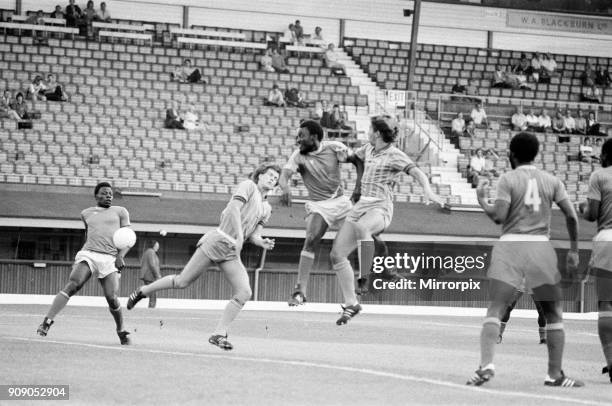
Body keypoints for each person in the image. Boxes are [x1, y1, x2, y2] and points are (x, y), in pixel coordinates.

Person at [466, 132, 582, 387]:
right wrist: (573, 250)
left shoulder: (508, 179)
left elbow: (498, 216)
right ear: (536, 154)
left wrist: (482, 201)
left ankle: (486, 366)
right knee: (553, 312)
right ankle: (554, 374)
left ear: (511, 154)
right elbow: (572, 216)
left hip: (510, 246)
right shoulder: (552, 181)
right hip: (540, 247)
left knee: (496, 307)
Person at [127, 164, 280, 351]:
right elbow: (233, 209)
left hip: (231, 251)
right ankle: (143, 291)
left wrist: (261, 242)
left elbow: (255, 234)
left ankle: (218, 334)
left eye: (276, 178)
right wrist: (240, 236)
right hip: (218, 240)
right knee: (182, 282)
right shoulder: (248, 185)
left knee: (244, 292)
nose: (272, 179)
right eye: (270, 175)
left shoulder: (267, 208)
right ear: (260, 176)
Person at [328, 116, 444, 325]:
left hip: (381, 207)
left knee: (364, 228)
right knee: (337, 255)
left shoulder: (395, 155)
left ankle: (364, 278)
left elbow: (417, 172)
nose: (367, 133)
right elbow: (352, 157)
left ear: (378, 133)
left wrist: (428, 190)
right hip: (361, 205)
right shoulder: (368, 149)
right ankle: (351, 304)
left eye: (370, 130)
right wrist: (341, 154)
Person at [37, 182, 133, 345]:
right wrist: (81, 259)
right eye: (104, 193)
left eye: (110, 193)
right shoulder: (86, 213)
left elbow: (128, 238)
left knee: (112, 297)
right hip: (89, 254)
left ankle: (121, 329)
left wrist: (120, 256)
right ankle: (47, 321)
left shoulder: (121, 211)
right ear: (96, 196)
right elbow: (89, 234)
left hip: (110, 259)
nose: (108, 195)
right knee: (74, 284)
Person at [279, 120, 362, 305]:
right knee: (311, 240)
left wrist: (358, 188)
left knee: (364, 235)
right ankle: (299, 292)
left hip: (342, 203)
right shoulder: (298, 156)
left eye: (302, 135)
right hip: (319, 206)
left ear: (314, 137)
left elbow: (358, 161)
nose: (298, 139)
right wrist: (285, 188)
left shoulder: (334, 148)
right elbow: (284, 176)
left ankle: (363, 282)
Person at [578, 138, 612, 383]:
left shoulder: (599, 176)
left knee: (606, 303)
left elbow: (591, 213)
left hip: (608, 240)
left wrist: (582, 208)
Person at [139, 240, 161, 308]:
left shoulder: (148, 251)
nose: (158, 247)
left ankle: (151, 307)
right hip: (150, 276)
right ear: (153, 246)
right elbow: (152, 264)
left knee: (152, 293)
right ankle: (152, 308)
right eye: (157, 246)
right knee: (153, 294)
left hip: (148, 275)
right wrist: (158, 275)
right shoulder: (151, 252)